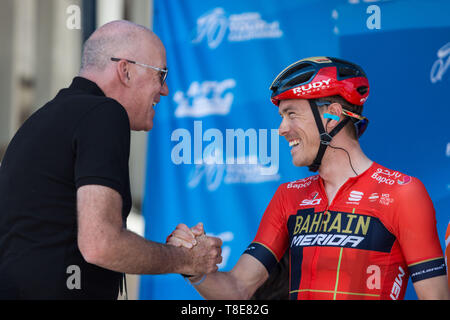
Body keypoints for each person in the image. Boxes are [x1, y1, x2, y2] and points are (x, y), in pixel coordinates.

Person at [167, 56, 449, 300]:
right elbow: (237, 287)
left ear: (332, 116)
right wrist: (192, 267)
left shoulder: (403, 192)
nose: (281, 129)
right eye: (281, 116)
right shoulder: (288, 196)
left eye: (291, 114)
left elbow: (435, 296)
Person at [0, 20, 222, 300]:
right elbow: (101, 244)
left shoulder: (40, 121)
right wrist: (186, 259)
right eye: (161, 75)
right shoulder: (103, 113)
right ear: (125, 71)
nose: (165, 90)